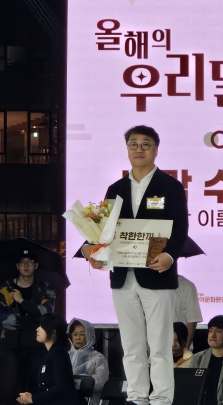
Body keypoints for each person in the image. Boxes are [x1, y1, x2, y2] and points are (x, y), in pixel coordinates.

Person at [79, 125, 189, 405]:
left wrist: (170, 255)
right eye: (133, 144)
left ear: (156, 149)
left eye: (146, 144)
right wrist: (91, 249)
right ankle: (138, 397)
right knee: (131, 345)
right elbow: (103, 230)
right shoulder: (115, 189)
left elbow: (180, 229)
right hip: (123, 277)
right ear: (127, 149)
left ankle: (161, 399)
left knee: (160, 346)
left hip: (157, 274)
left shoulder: (171, 186)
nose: (139, 149)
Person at [0, 249, 56, 400]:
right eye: (22, 262)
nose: (26, 265)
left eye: (30, 262)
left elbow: (46, 312)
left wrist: (22, 301)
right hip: (12, 345)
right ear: (17, 266)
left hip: (36, 345)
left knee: (35, 389)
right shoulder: (6, 288)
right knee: (11, 390)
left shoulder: (45, 288)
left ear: (36, 265)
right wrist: (28, 321)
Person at [17, 313, 78, 405]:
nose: (37, 329)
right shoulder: (49, 353)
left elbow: (61, 388)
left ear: (53, 332)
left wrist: (34, 398)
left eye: (42, 326)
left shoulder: (59, 353)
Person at [68, 318, 109, 405]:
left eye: (82, 334)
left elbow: (101, 382)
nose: (78, 338)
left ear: (89, 336)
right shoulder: (65, 355)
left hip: (90, 401)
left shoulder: (98, 358)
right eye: (75, 334)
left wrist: (81, 381)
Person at [174, 274, 203, 350]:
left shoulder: (186, 286)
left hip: (179, 348)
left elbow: (192, 320)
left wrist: (185, 349)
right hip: (153, 349)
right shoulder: (147, 285)